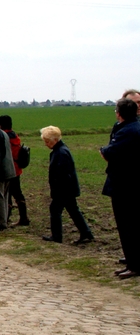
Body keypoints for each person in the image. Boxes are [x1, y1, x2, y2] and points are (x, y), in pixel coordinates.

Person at [100, 98, 140, 279]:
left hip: (124, 184)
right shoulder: (135, 127)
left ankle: (134, 265)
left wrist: (103, 149)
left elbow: (109, 152)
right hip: (133, 182)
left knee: (127, 226)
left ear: (119, 113)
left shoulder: (127, 131)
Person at [40, 125, 94, 244]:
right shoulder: (60, 150)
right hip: (67, 189)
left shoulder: (61, 153)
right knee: (73, 210)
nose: (46, 144)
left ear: (54, 140)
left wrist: (57, 190)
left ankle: (57, 236)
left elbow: (62, 175)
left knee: (55, 210)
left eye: (47, 141)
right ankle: (86, 233)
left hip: (63, 189)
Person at [0, 115, 30, 227]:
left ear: (0, 125)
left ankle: (7, 218)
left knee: (8, 194)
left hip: (9, 169)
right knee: (17, 194)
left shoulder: (4, 136)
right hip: (17, 168)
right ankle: (23, 217)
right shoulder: (14, 135)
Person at [0, 121, 16, 231]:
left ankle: (1, 222)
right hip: (10, 170)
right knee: (5, 196)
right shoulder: (5, 134)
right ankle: (5, 220)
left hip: (2, 172)